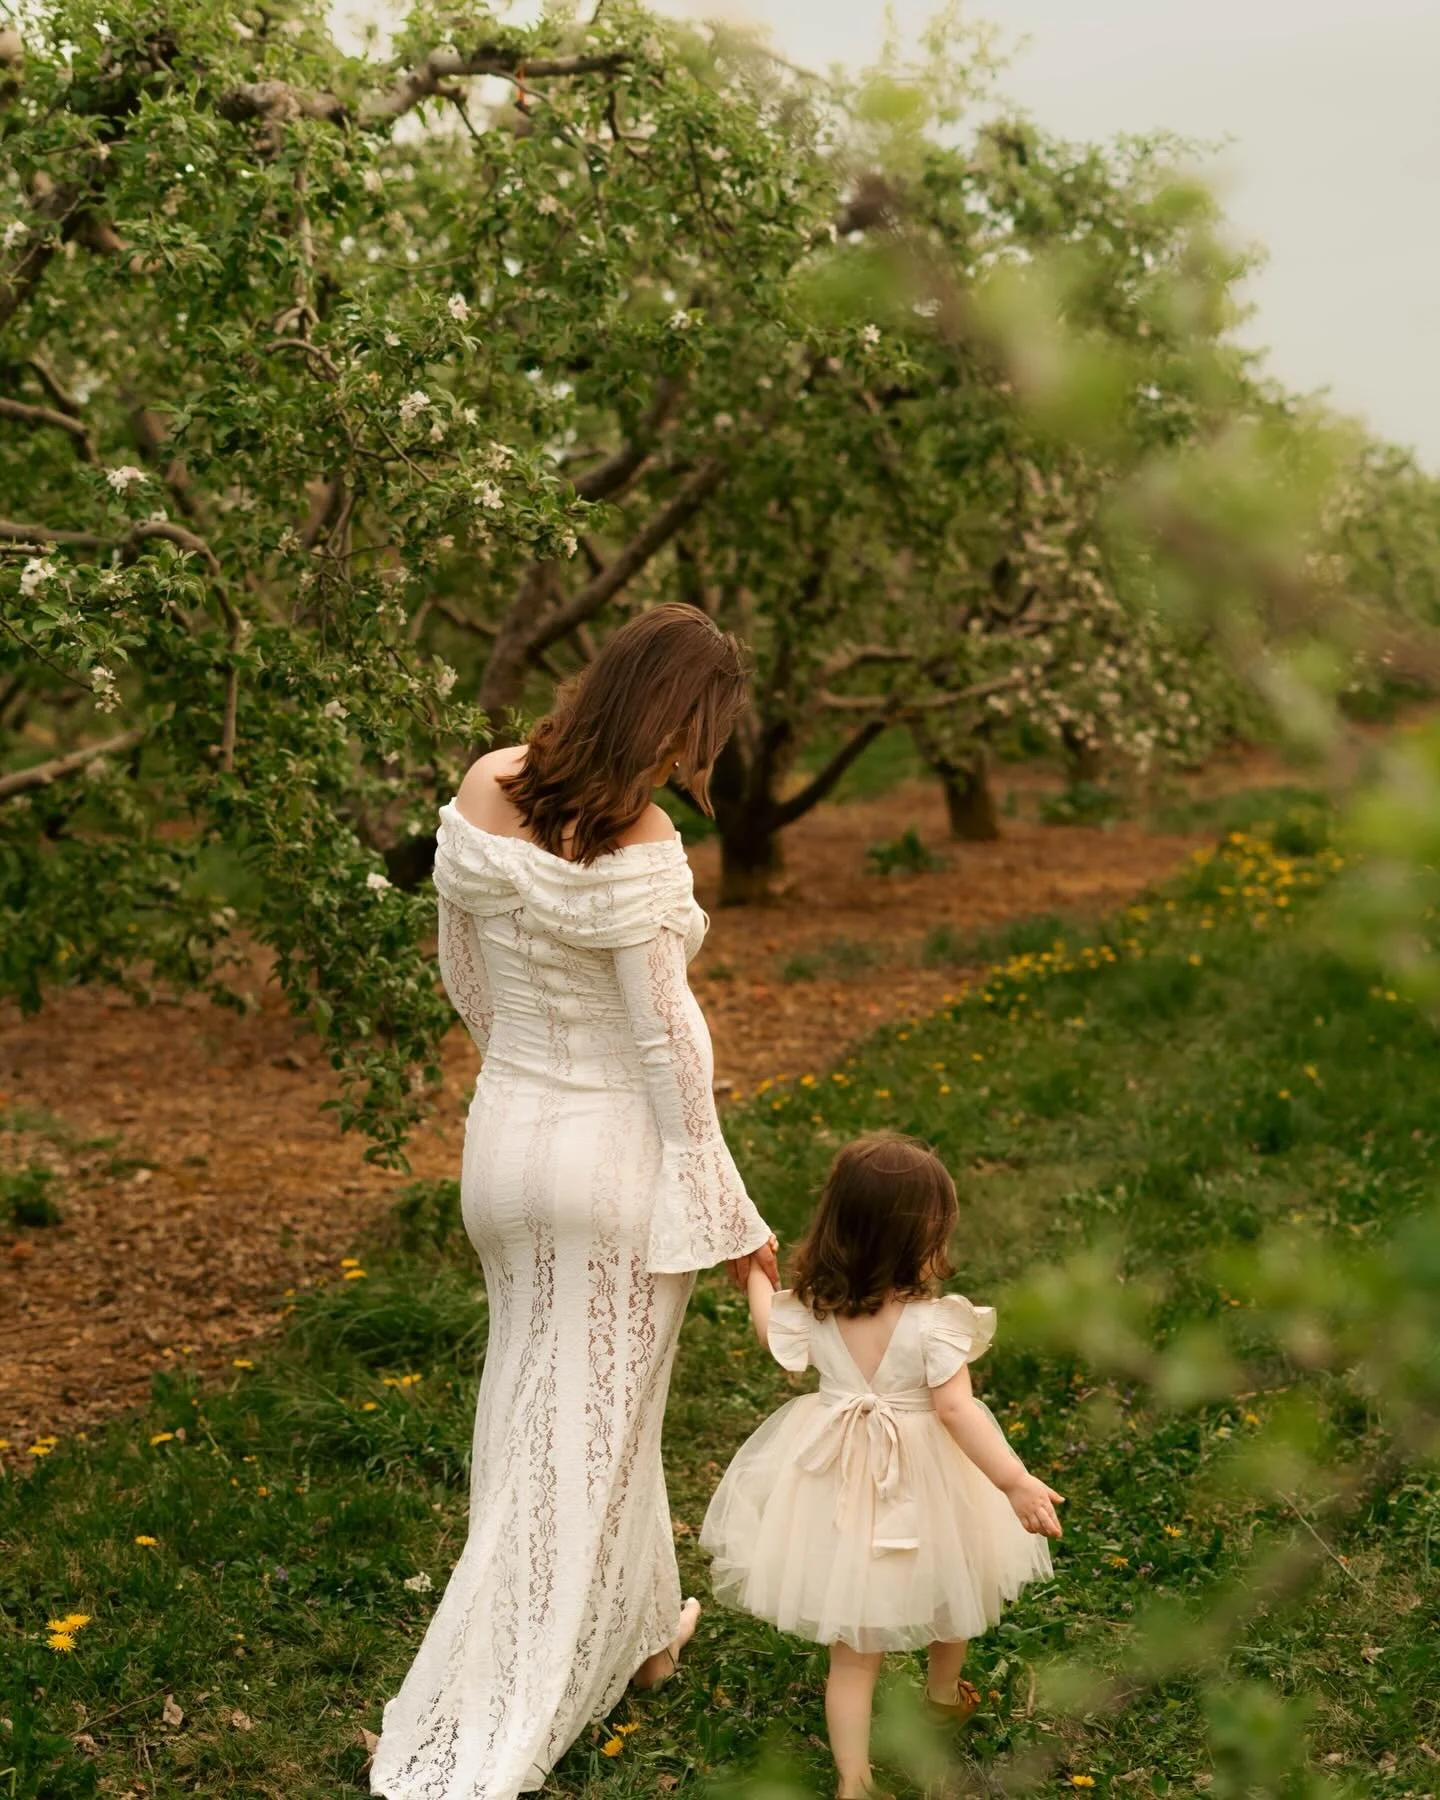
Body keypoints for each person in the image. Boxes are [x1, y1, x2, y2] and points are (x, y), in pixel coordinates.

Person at [370, 605, 778, 1800]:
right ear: (676, 726)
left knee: (568, 1404)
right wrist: (733, 1215)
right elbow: (668, 1053)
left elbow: (461, 970)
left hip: (505, 1145)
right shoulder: (644, 843)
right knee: (573, 1438)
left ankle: (646, 1633)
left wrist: (519, 1074)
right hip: (611, 1160)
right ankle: (478, 1725)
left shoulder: (488, 780)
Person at [699, 1133, 1062, 1800]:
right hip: (929, 1474)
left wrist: (755, 1271)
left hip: (838, 1477)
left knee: (854, 1646)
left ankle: (854, 1780)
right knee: (954, 1579)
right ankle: (943, 1693)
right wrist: (1013, 1481)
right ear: (922, 1238)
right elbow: (957, 1412)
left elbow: (765, 1330)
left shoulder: (816, 1308)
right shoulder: (936, 1323)